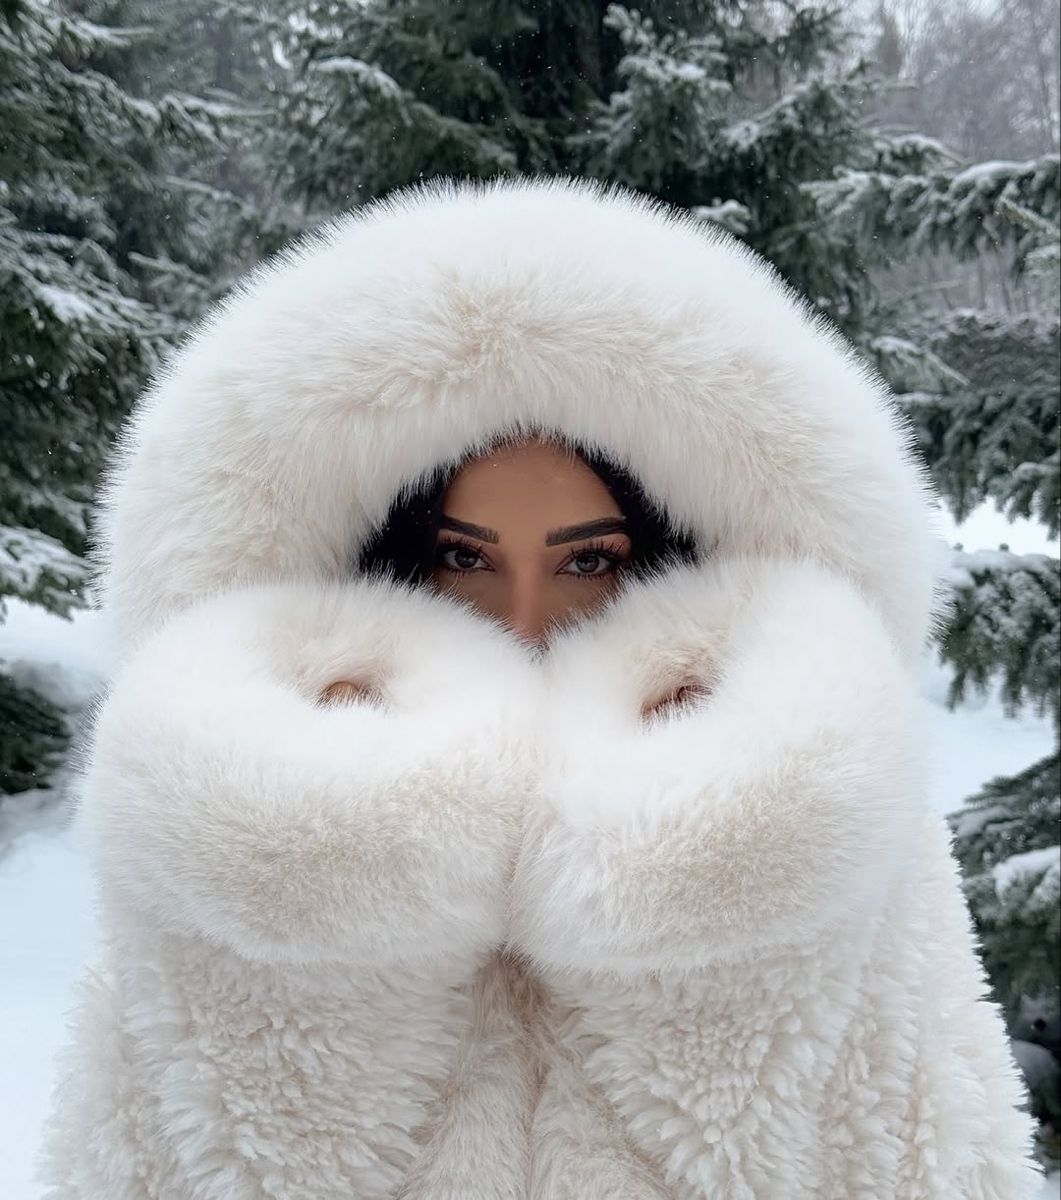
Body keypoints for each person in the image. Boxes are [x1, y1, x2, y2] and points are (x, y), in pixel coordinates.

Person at [40, 179, 1042, 1199]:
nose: (519, 622)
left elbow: (931, 1160)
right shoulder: (211, 829)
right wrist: (316, 891)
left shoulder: (826, 806)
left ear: (671, 563)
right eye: (463, 562)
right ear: (383, 570)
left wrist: (721, 883)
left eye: (587, 562)